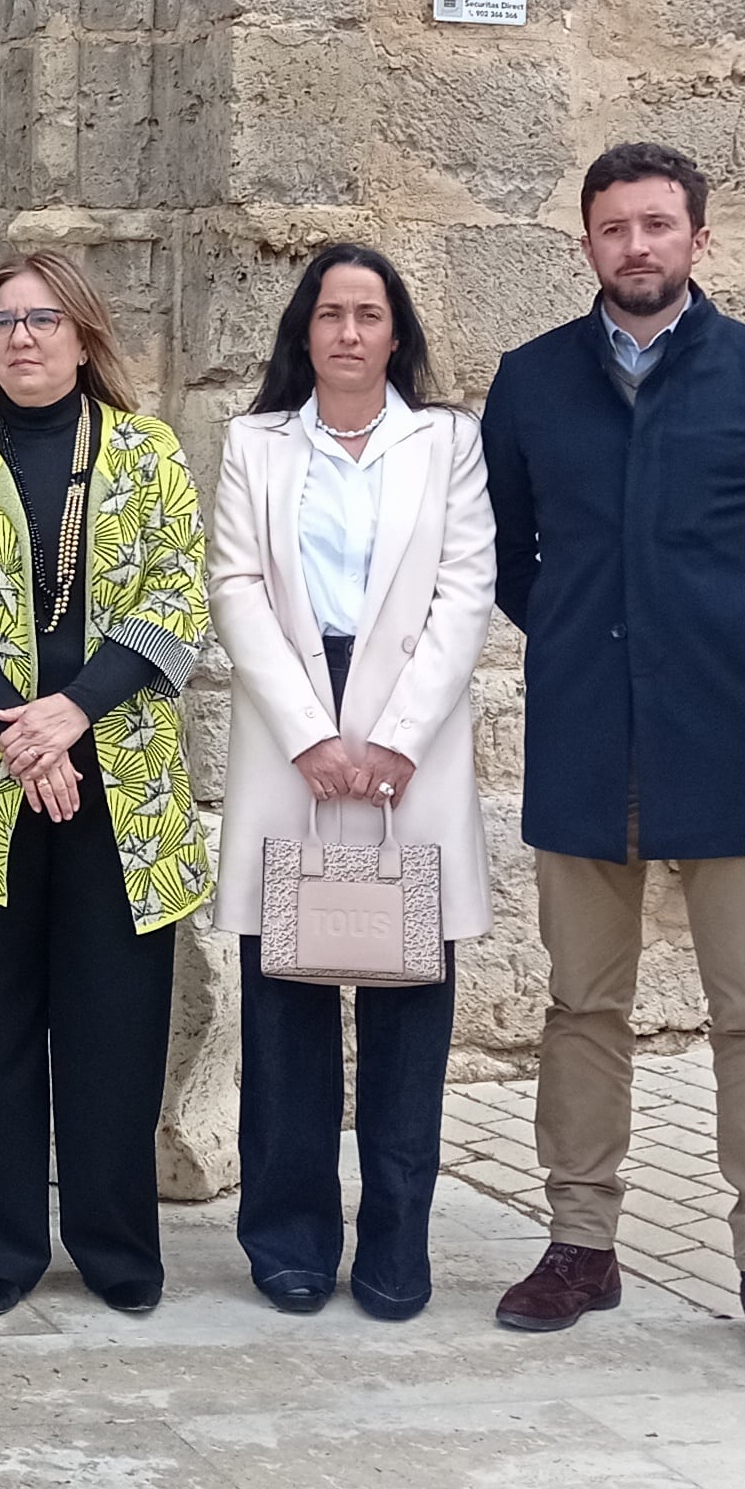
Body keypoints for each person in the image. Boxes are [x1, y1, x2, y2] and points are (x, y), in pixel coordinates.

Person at [479, 140, 745, 1374]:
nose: (636, 246)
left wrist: (735, 641)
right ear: (584, 243)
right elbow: (515, 557)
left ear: (698, 237)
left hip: (725, 737)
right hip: (585, 735)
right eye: (613, 228)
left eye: (657, 224)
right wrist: (591, 639)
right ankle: (580, 1241)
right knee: (582, 1001)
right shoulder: (530, 384)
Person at [0, 250, 211, 1318]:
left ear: (83, 333)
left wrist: (73, 714)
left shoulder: (148, 453)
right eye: (2, 319)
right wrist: (24, 737)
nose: (22, 337)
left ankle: (116, 1250)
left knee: (117, 1024)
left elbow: (177, 600)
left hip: (121, 779)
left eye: (44, 319)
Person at [209, 244, 497, 1322]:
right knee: (283, 1000)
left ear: (394, 332)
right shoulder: (254, 445)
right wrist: (309, 733)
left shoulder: (447, 445)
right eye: (328, 313)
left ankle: (394, 1246)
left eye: (367, 314)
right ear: (303, 330)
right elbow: (234, 583)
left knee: (405, 1010)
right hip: (293, 729)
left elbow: (465, 592)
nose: (346, 332)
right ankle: (286, 1237)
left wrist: (392, 735)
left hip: (404, 743)